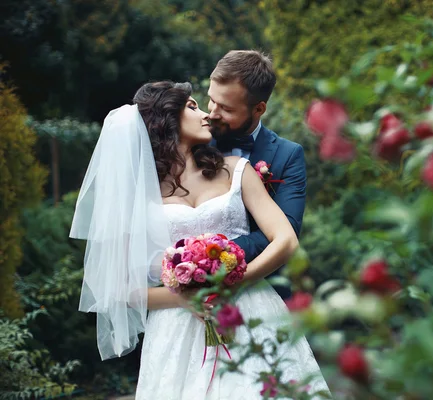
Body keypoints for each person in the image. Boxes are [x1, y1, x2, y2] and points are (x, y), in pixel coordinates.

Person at [69, 81, 330, 399]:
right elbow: (120, 288)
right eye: (192, 106)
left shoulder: (235, 170)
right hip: (176, 328)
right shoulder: (137, 198)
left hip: (251, 308)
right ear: (165, 120)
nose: (207, 114)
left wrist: (234, 281)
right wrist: (185, 298)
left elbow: (286, 240)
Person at [207, 50, 306, 300]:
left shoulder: (287, 155)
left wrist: (210, 255)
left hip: (262, 292)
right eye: (211, 100)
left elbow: (287, 231)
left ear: (259, 108)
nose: (213, 114)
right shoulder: (192, 142)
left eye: (226, 108)